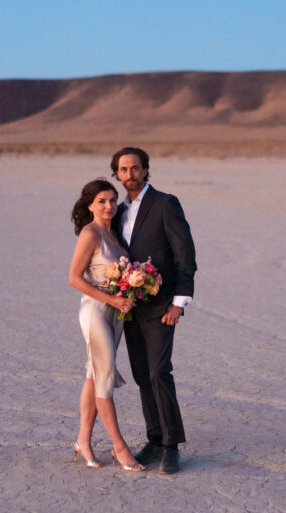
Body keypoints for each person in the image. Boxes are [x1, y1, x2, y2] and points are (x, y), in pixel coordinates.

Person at [110, 147, 197, 475]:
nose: (129, 174)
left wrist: (179, 302)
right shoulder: (117, 212)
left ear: (146, 170)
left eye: (135, 168)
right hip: (132, 308)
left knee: (160, 371)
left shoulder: (165, 204)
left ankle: (172, 446)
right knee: (142, 375)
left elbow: (184, 253)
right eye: (123, 169)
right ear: (117, 174)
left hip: (162, 306)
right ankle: (154, 439)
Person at [69, 178, 144, 472]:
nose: (109, 206)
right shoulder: (90, 233)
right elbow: (74, 278)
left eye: (113, 200)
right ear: (90, 204)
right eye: (102, 201)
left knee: (93, 374)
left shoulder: (113, 234)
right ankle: (119, 447)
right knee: (104, 378)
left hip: (116, 312)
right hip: (97, 311)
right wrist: (113, 301)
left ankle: (83, 441)